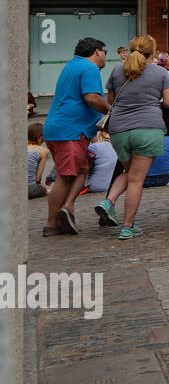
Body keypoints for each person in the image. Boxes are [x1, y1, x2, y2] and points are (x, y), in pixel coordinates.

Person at [95, 34, 169, 240]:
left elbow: (111, 100)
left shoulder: (116, 70)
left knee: (130, 172)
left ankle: (109, 201)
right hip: (147, 129)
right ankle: (127, 226)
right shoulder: (161, 73)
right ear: (153, 52)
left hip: (118, 130)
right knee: (137, 180)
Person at [42, 36, 110, 236]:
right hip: (71, 131)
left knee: (82, 170)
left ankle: (68, 207)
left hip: (59, 128)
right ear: (98, 51)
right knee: (66, 175)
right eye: (106, 52)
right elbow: (92, 97)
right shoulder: (89, 68)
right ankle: (51, 224)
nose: (106, 56)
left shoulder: (72, 65)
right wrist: (109, 110)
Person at [28, 123, 55, 198]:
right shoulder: (43, 151)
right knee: (43, 188)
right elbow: (38, 178)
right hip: (29, 190)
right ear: (40, 137)